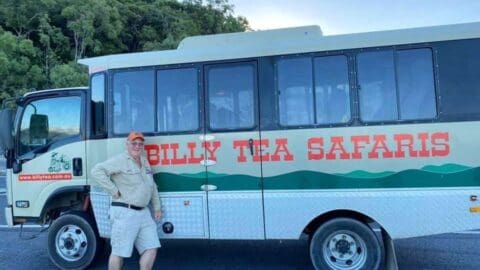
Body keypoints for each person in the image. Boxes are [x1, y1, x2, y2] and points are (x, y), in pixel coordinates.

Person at [91, 131, 162, 270]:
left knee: (152, 247)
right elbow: (96, 171)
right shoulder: (119, 160)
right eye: (134, 143)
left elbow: (152, 185)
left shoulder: (144, 161)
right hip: (125, 212)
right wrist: (113, 190)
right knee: (119, 252)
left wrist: (157, 207)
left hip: (144, 213)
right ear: (127, 144)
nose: (137, 146)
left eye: (140, 144)